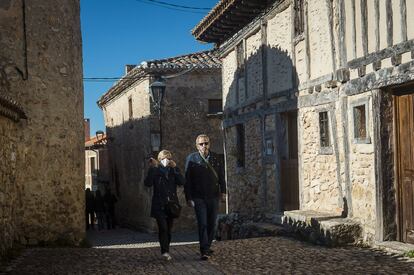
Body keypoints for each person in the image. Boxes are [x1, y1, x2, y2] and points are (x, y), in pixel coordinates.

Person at [184, 134, 226, 260]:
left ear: (209, 144)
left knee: (212, 223)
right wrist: (188, 197)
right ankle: (204, 250)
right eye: (201, 144)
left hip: (213, 196)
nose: (204, 146)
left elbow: (221, 176)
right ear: (197, 146)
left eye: (206, 143)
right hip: (198, 197)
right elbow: (188, 180)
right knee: (203, 223)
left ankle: (207, 246)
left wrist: (223, 192)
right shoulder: (191, 159)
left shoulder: (216, 157)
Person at [144, 150, 185, 261]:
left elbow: (182, 182)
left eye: (168, 158)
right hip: (159, 205)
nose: (166, 160)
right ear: (159, 159)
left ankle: (166, 249)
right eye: (163, 158)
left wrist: (176, 168)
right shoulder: (155, 170)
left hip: (171, 205)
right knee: (163, 228)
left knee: (169, 230)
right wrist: (153, 168)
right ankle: (165, 251)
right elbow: (147, 183)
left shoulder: (173, 170)